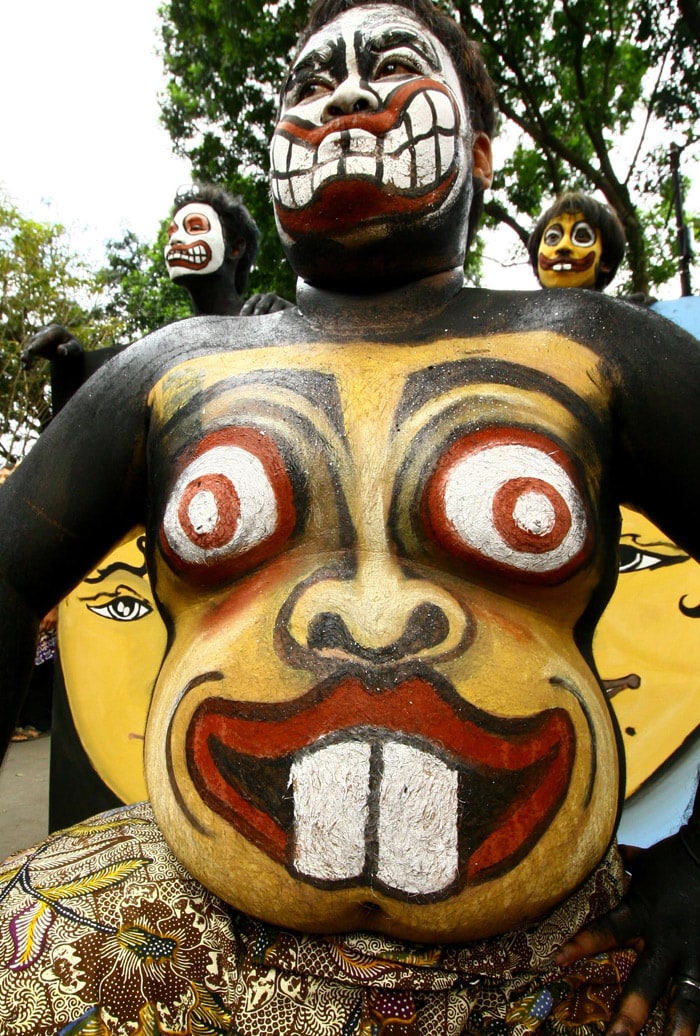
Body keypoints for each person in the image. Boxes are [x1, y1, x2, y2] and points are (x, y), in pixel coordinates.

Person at [0, 3, 698, 1035]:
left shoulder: (592, 347)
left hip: (552, 957)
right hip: (190, 942)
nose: (351, 95)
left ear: (480, 152)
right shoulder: (173, 369)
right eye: (313, 81)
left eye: (395, 67)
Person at [20, 182, 293, 407]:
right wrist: (71, 365)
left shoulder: (272, 320)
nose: (175, 240)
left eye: (195, 227)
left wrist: (295, 324)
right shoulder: (159, 352)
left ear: (235, 248)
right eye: (171, 232)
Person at [528, 191, 626, 291]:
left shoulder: (630, 306)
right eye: (553, 237)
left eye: (581, 236)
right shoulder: (512, 305)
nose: (563, 246)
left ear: (606, 261)